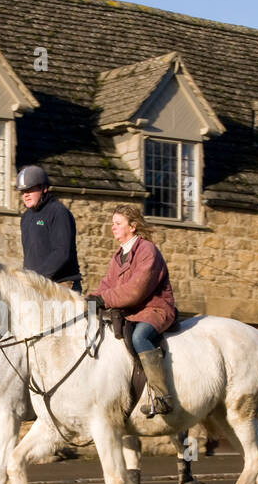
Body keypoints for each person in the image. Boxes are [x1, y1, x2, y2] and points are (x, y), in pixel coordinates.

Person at [88, 208, 177, 417]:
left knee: (139, 337)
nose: (113, 227)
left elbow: (137, 289)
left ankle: (162, 397)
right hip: (131, 312)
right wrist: (90, 299)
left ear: (132, 226)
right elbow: (106, 285)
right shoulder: (118, 256)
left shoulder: (147, 250)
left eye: (118, 223)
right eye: (113, 223)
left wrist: (104, 299)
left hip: (154, 308)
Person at [17, 165, 82, 294]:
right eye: (23, 192)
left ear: (44, 188)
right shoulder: (26, 217)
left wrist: (36, 278)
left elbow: (62, 253)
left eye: (30, 190)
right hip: (36, 285)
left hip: (62, 284)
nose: (26, 195)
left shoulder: (59, 213)